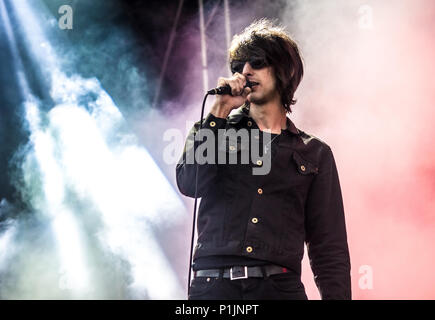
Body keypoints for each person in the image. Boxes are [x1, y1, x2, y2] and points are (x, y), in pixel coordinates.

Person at [176, 18, 351, 300]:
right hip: (213, 288)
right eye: (238, 67)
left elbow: (328, 247)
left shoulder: (314, 153)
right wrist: (219, 110)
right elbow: (189, 183)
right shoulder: (214, 130)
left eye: (256, 62)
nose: (245, 72)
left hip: (278, 289)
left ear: (285, 70)